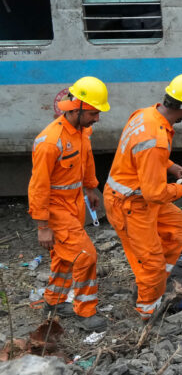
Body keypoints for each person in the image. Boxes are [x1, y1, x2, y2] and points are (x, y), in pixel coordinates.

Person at [103, 74, 182, 320]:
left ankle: (158, 284)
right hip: (130, 204)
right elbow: (156, 193)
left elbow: (141, 154)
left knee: (178, 227)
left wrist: (171, 166)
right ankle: (148, 313)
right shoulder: (156, 139)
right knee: (150, 262)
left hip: (137, 198)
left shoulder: (145, 114)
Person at [27, 77, 111, 331]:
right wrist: (42, 225)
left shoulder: (82, 131)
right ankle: (85, 312)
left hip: (73, 205)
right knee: (86, 255)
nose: (97, 118)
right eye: (94, 113)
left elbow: (85, 158)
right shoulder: (50, 142)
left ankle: (53, 301)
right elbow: (37, 187)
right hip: (56, 210)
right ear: (77, 108)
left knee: (64, 257)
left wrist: (90, 186)